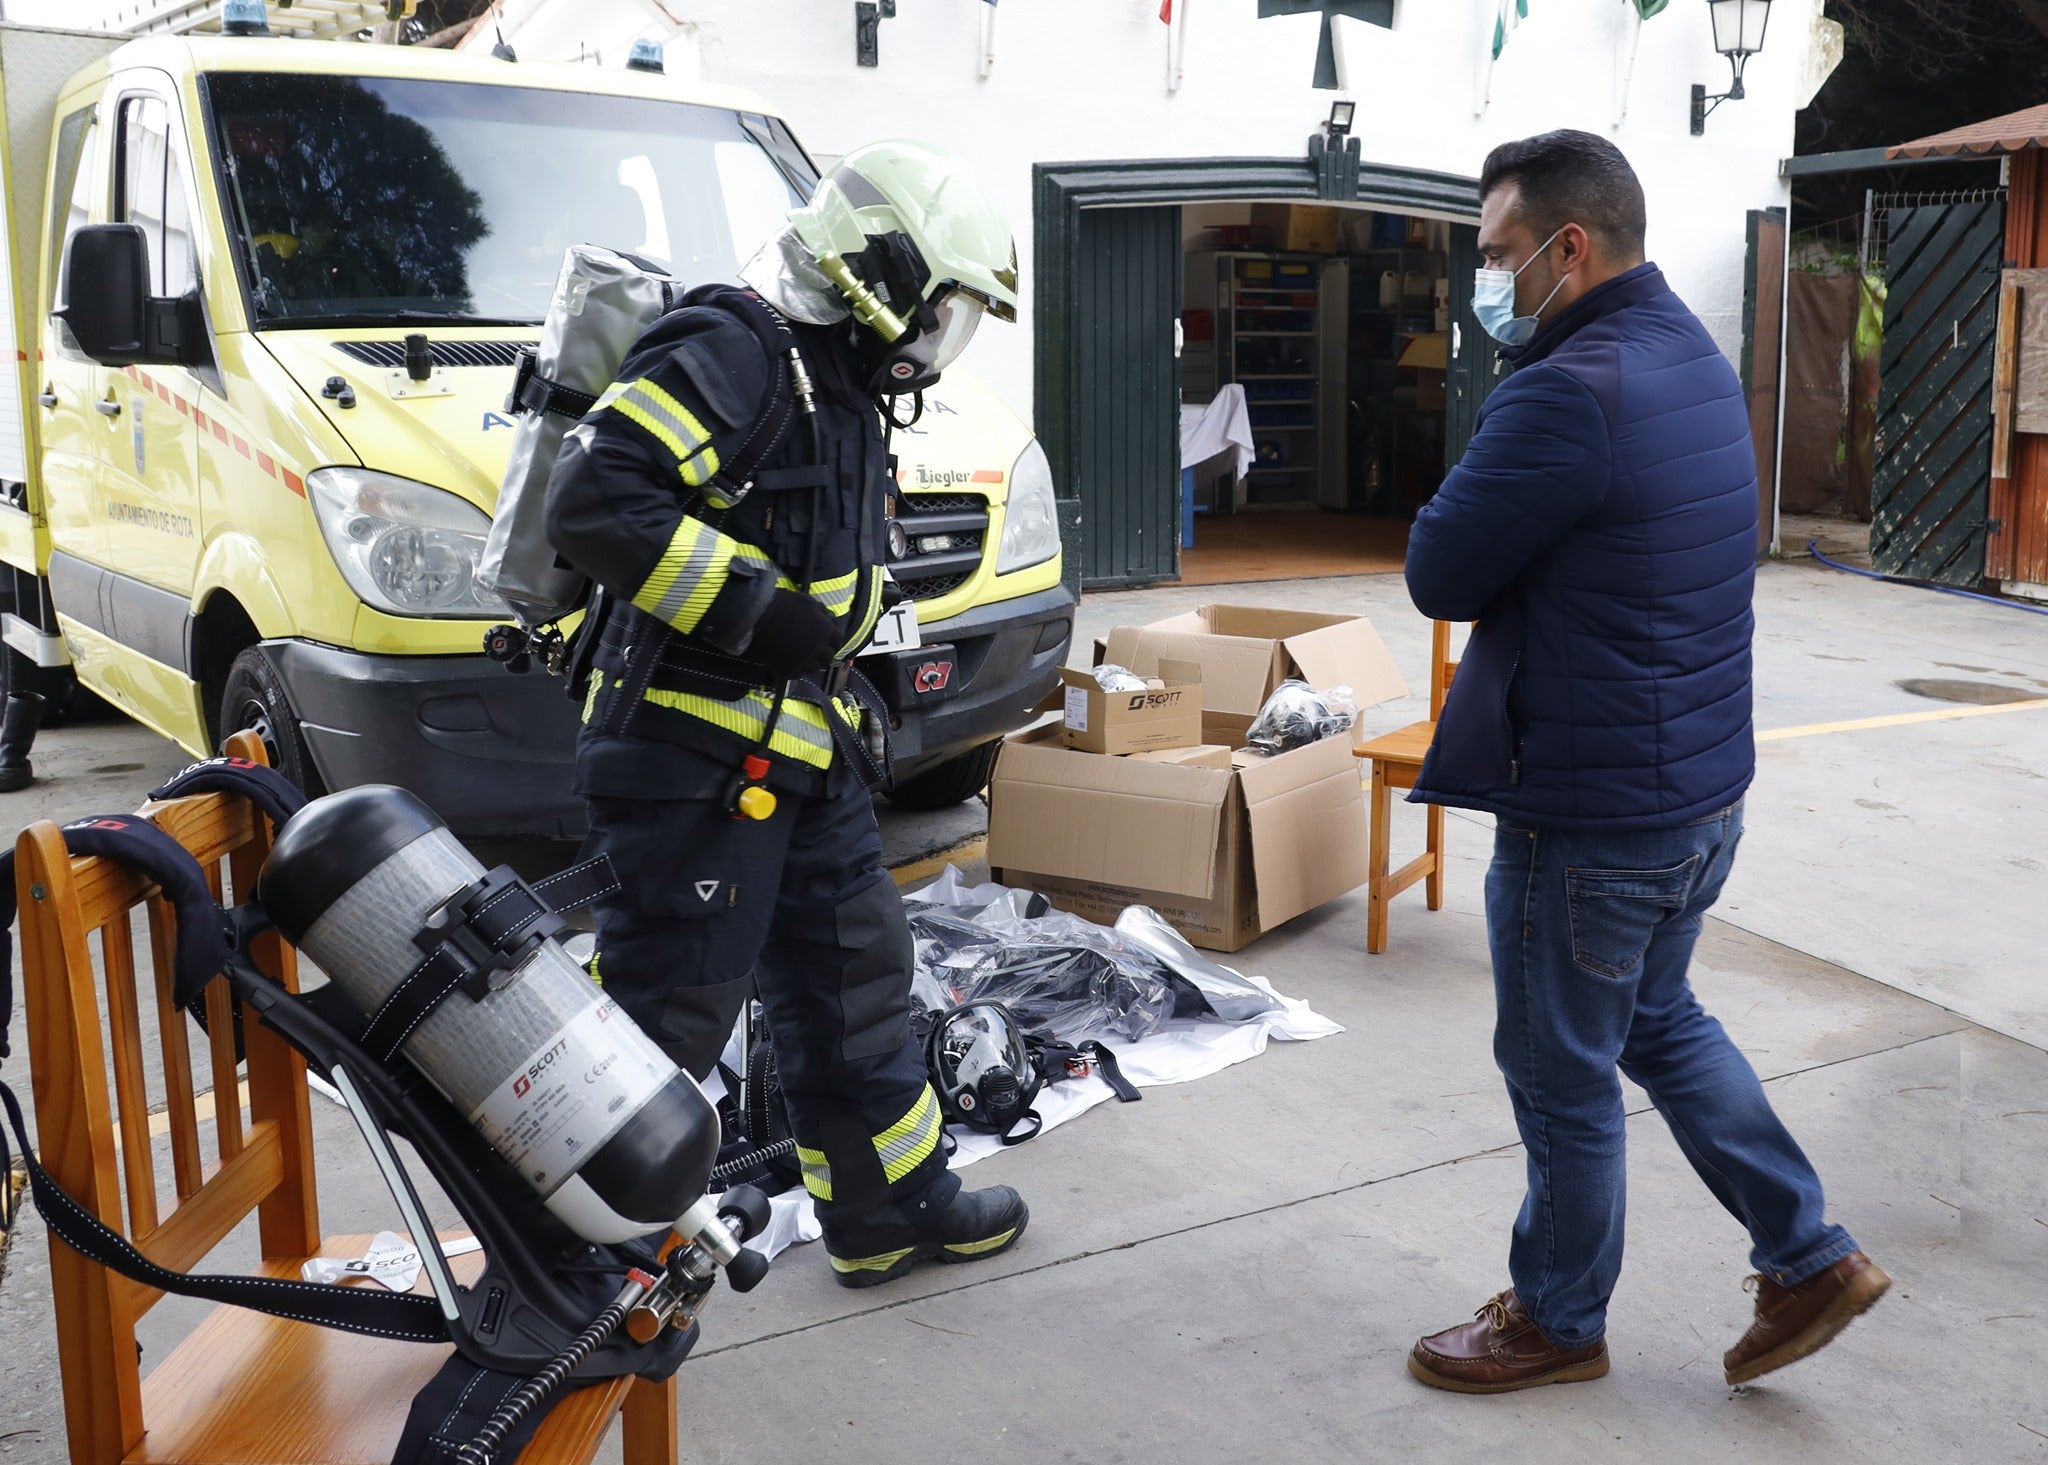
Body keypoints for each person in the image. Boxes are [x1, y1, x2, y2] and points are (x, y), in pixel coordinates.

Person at [1400, 130, 1888, 1393]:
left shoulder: (1563, 390)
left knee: (1557, 1073)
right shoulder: (1689, 357)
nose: (1486, 280)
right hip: (1694, 800)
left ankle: (1556, 1319)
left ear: (1568, 247)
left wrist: (1486, 441)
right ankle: (1809, 1254)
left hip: (1590, 820)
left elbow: (1438, 571)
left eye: (1499, 253)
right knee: (1657, 1020)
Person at [541, 140, 1028, 1287]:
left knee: (854, 973)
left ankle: (885, 1207)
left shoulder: (835, 381)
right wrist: (764, 613)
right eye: (938, 311)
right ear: (875, 273)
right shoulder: (732, 346)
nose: (935, 340)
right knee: (665, 1018)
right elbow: (594, 497)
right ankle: (568, 1282)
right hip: (687, 759)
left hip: (799, 749)